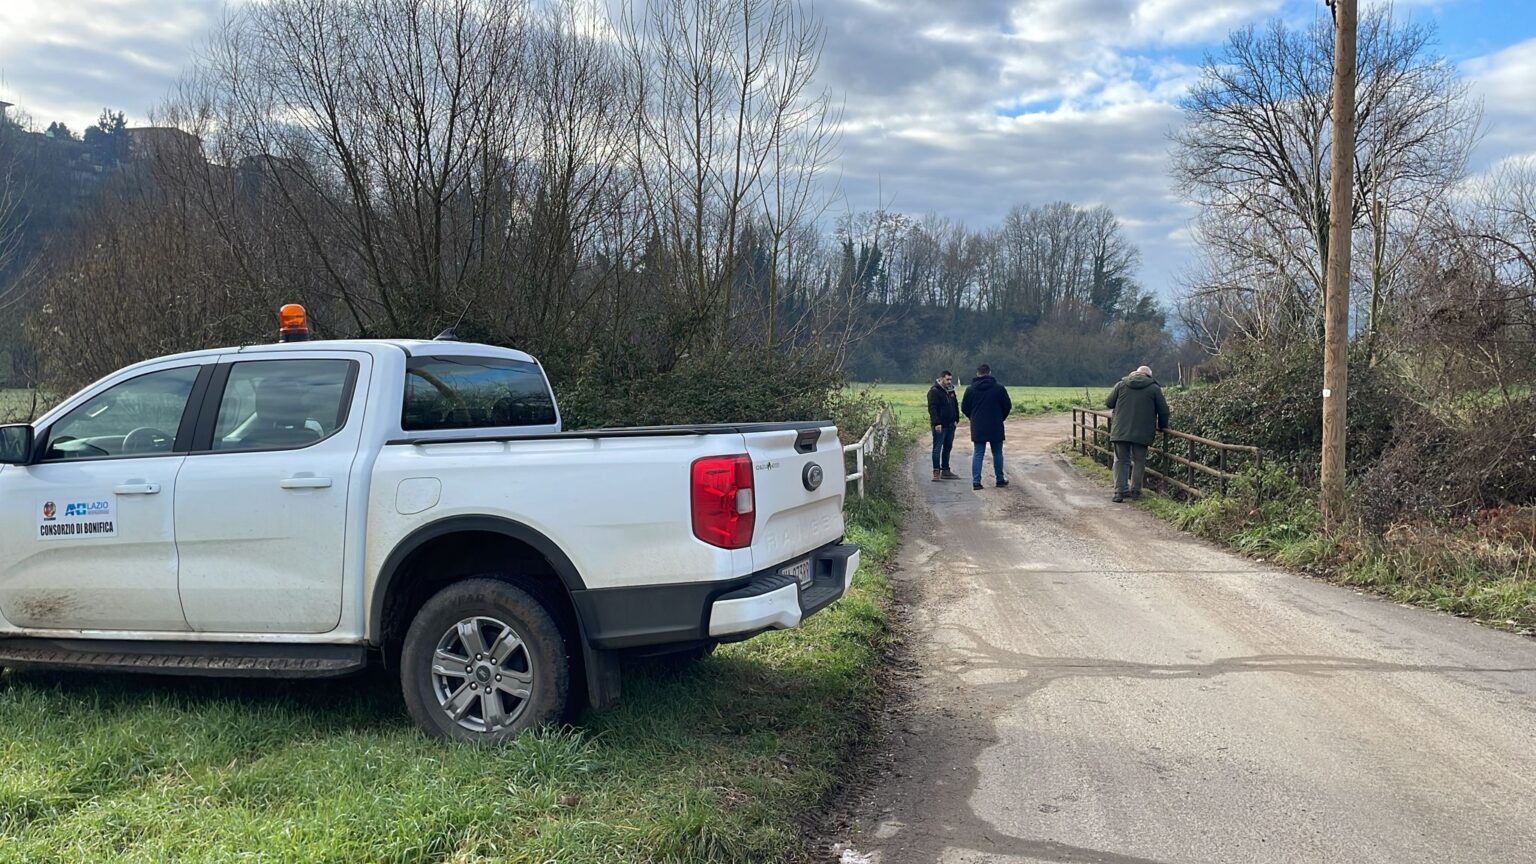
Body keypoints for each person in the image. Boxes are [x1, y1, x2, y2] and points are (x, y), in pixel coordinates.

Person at [1104, 364, 1170, 503]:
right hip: (1142, 432)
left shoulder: (1121, 385)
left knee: (1120, 460)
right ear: (1149, 376)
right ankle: (1135, 491)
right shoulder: (1154, 389)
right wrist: (1163, 426)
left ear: (1134, 374)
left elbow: (1109, 403)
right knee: (1139, 461)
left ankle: (1120, 491)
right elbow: (1163, 410)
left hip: (1120, 430)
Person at [961, 363, 1012, 490]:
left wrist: (973, 418)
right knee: (997, 453)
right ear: (989, 372)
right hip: (995, 424)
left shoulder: (970, 389)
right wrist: (1001, 417)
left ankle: (976, 482)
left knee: (978, 453)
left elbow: (964, 408)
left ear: (977, 373)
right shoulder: (999, 388)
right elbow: (1007, 406)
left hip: (978, 425)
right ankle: (999, 479)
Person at [926, 371, 961, 481]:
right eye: (947, 379)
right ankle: (936, 471)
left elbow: (955, 404)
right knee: (937, 448)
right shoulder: (934, 391)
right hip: (940, 425)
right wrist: (936, 423)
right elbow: (932, 408)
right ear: (941, 379)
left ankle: (946, 470)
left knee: (947, 447)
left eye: (950, 379)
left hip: (951, 424)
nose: (949, 381)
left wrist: (956, 419)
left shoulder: (951, 390)